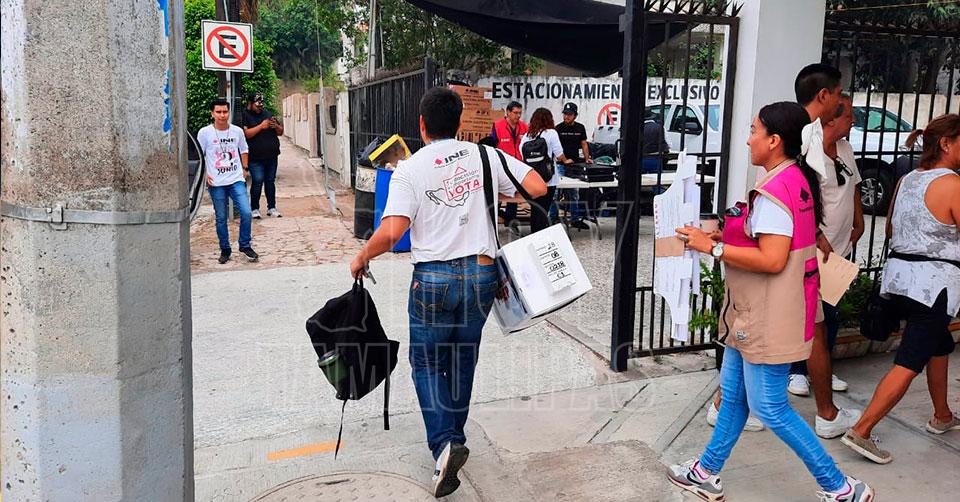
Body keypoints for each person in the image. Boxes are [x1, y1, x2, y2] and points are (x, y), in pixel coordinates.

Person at [669, 102, 873, 502]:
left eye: (753, 131)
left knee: (770, 407)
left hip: (767, 316)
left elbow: (773, 258)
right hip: (754, 313)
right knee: (733, 396)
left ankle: (840, 487)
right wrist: (720, 237)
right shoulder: (794, 177)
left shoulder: (775, 190)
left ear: (774, 140)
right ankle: (705, 472)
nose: (748, 140)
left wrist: (713, 249)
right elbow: (767, 240)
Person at [350, 88, 547, 498]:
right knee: (462, 359)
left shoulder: (410, 169)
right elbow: (537, 186)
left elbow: (393, 231)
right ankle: (452, 439)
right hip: (481, 275)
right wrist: (497, 192)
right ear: (459, 124)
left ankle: (444, 444)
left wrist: (362, 255)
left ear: (422, 125)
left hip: (433, 279)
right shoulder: (486, 156)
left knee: (425, 363)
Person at [841, 114, 960, 465]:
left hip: (898, 281)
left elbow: (891, 229)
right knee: (909, 362)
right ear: (946, 143)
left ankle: (942, 415)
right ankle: (862, 430)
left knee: (939, 344)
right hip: (934, 287)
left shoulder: (908, 179)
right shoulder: (953, 184)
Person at [791, 63, 862, 438]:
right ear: (825, 98)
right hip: (807, 250)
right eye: (839, 98)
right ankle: (804, 384)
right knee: (805, 320)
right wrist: (816, 235)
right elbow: (799, 196)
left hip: (834, 249)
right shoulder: (802, 141)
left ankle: (822, 386)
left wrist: (855, 223)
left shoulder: (843, 149)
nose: (849, 115)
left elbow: (852, 188)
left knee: (824, 317)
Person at [197, 98, 258, 264]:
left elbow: (244, 149)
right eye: (218, 112)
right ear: (212, 113)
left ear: (228, 112)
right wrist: (205, 174)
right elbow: (200, 155)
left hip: (235, 179)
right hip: (216, 182)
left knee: (246, 212)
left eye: (225, 112)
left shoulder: (237, 131)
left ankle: (245, 245)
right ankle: (225, 249)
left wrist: (244, 169)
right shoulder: (205, 133)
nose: (222, 115)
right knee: (221, 217)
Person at [520, 108, 569, 233]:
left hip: (532, 178)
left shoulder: (527, 135)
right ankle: (541, 236)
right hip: (548, 179)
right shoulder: (551, 133)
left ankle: (534, 234)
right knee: (543, 209)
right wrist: (566, 160)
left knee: (535, 209)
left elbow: (521, 153)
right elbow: (559, 154)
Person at [242, 92, 284, 219]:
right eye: (257, 105)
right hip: (255, 157)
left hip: (272, 156)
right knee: (258, 181)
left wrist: (275, 126)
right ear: (250, 104)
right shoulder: (245, 115)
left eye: (261, 105)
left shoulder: (268, 114)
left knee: (270, 181)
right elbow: (246, 134)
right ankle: (254, 208)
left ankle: (272, 207)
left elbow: (280, 132)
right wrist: (261, 126)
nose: (260, 107)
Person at [554, 102, 591, 229]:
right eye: (565, 114)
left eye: (569, 114)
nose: (566, 117)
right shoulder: (558, 128)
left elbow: (584, 144)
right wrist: (562, 159)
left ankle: (575, 219)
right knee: (556, 192)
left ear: (575, 115)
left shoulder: (580, 128)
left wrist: (587, 158)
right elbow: (554, 146)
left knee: (574, 193)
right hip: (560, 165)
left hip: (574, 165)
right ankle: (552, 218)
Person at [492, 101, 528, 226]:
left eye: (520, 113)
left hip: (517, 167)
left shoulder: (524, 127)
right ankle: (494, 218)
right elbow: (492, 146)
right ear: (508, 112)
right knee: (498, 194)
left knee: (514, 195)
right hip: (501, 166)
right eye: (515, 112)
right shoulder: (497, 126)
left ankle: (510, 222)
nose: (518, 115)